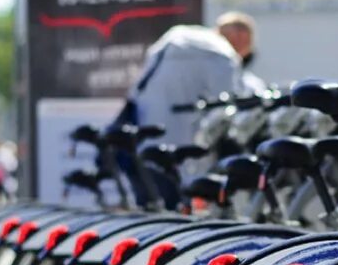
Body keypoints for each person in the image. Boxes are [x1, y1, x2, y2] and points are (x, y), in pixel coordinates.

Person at [111, 13, 262, 206]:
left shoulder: (175, 37)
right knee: (183, 214)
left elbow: (137, 90)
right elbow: (229, 106)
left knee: (151, 207)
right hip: (186, 152)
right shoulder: (222, 55)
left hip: (145, 135)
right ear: (240, 38)